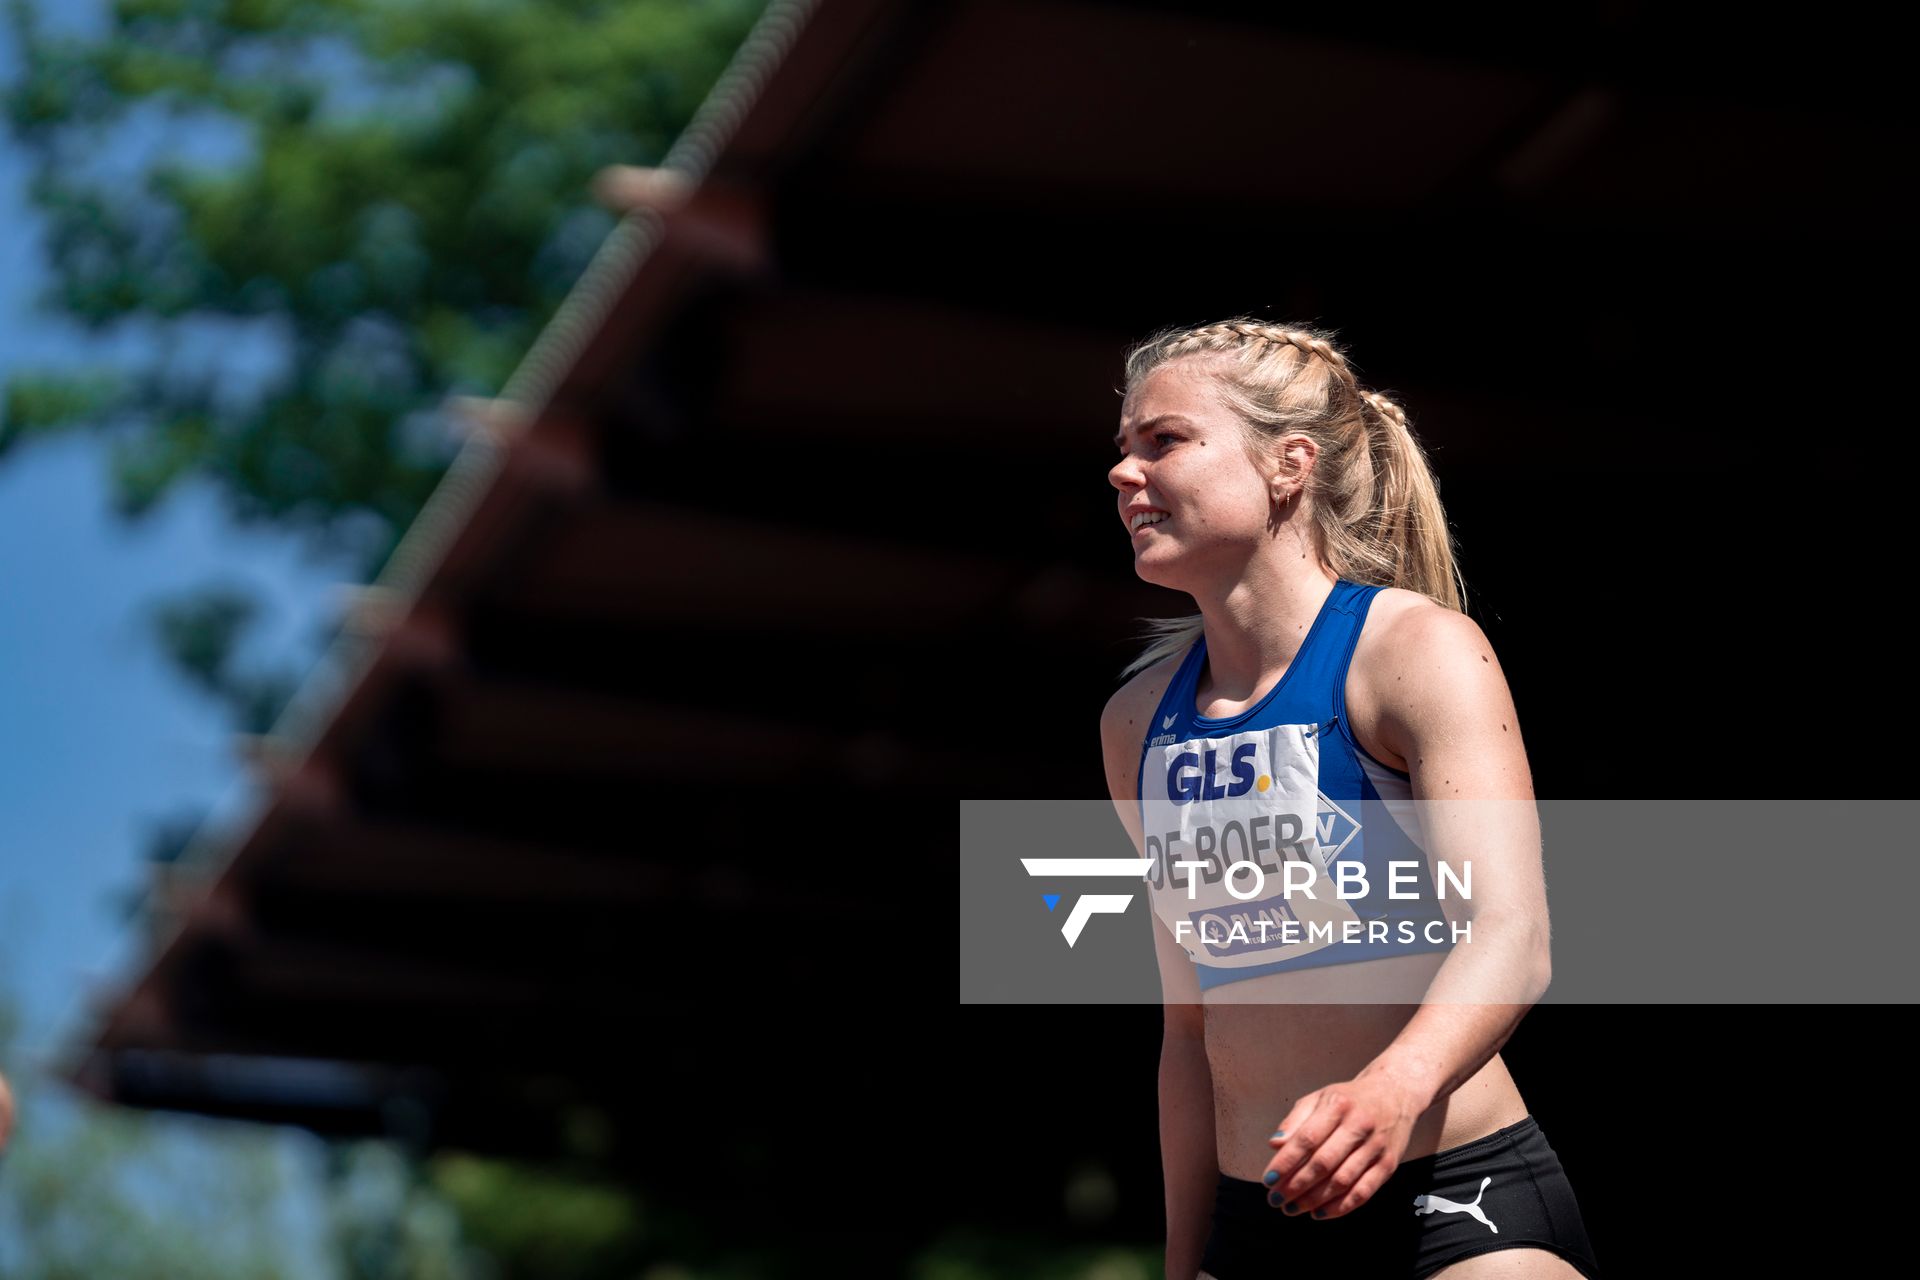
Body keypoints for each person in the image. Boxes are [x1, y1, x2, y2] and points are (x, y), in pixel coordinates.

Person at [1098, 319, 1602, 1280]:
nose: (1124, 473)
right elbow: (1188, 1029)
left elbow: (1510, 934)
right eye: (1122, 449)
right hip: (1257, 1228)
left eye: (1163, 441)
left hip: (1455, 1202)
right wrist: (1182, 1262)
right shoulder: (1137, 723)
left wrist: (1390, 1090)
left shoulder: (1413, 653)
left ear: (1289, 465)